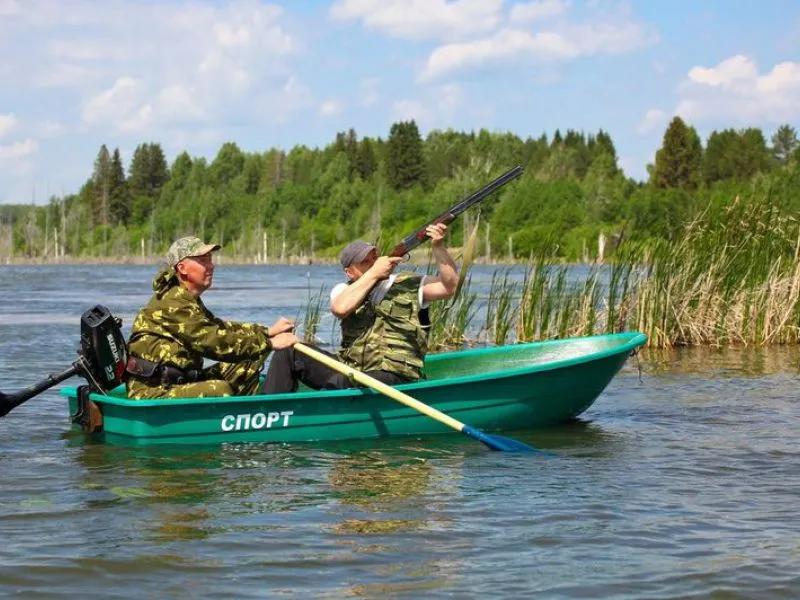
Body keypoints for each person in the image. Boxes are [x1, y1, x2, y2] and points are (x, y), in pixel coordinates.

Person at [261, 223, 458, 394]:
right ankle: (269, 411)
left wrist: (438, 247)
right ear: (349, 271)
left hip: (394, 374)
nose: (372, 263)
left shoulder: (409, 284)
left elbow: (449, 287)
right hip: (351, 368)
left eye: (375, 258)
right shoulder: (343, 290)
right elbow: (340, 308)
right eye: (365, 262)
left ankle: (326, 413)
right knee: (289, 351)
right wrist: (374, 274)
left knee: (343, 382)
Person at [126, 236, 298, 400]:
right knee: (219, 389)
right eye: (203, 260)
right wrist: (269, 343)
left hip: (179, 381)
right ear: (182, 268)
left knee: (247, 361)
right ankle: (245, 419)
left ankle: (247, 415)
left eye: (210, 259)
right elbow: (214, 342)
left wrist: (267, 332)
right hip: (152, 392)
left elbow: (219, 328)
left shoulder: (185, 298)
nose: (211, 265)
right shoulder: (172, 303)